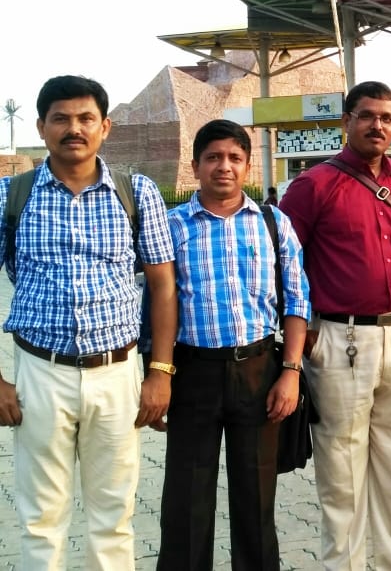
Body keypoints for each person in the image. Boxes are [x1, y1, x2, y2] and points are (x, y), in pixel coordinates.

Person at [0, 74, 177, 569]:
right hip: (40, 373)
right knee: (41, 519)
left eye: (85, 118)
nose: (73, 129)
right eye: (60, 118)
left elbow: (163, 286)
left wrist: (160, 372)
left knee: (113, 517)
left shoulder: (136, 192)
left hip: (117, 374)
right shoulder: (11, 195)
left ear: (105, 127)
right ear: (41, 127)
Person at [278, 80, 391, 571]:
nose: (378, 126)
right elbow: (285, 268)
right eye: (367, 116)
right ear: (346, 121)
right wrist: (300, 342)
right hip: (339, 338)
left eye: (387, 118)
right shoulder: (313, 187)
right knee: (342, 469)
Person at [157, 119, 311, 570]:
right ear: (195, 166)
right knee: (186, 499)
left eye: (234, 158)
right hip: (192, 373)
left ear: (247, 167)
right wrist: (157, 375)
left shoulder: (273, 223)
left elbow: (298, 300)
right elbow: (155, 304)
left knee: (256, 498)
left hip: (259, 373)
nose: (223, 166)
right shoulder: (172, 226)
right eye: (213, 157)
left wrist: (291, 372)